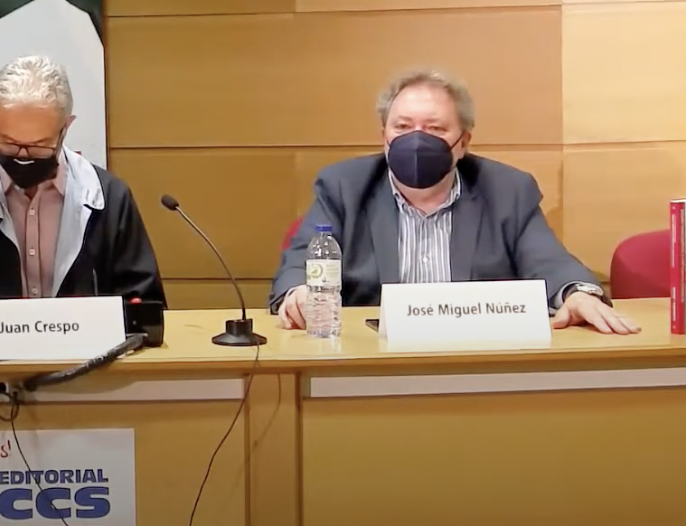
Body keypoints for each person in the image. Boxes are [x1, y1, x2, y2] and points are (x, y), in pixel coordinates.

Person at [269, 69, 637, 335]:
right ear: (384, 137)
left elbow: (548, 260)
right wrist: (298, 293)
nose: (416, 140)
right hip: (370, 357)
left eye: (435, 128)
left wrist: (577, 293)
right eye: (402, 127)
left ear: (463, 143)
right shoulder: (344, 186)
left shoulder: (507, 190)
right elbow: (300, 263)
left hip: (475, 357)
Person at [0, 55, 165, 304]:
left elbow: (144, 305)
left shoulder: (110, 199)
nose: (22, 156)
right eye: (9, 143)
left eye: (38, 146)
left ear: (65, 128)